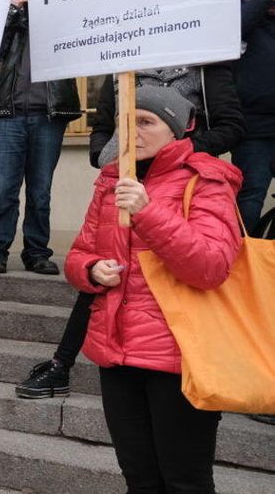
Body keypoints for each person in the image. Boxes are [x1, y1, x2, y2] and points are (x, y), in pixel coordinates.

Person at [18, 9, 248, 400]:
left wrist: (179, 154)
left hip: (179, 179)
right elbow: (105, 121)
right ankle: (62, 363)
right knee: (106, 269)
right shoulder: (124, 62)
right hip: (124, 174)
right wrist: (103, 153)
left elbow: (231, 125)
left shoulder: (208, 62)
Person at [64, 86, 241, 493]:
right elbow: (77, 257)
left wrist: (147, 211)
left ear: (177, 129)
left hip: (179, 358)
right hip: (118, 355)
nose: (132, 132)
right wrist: (92, 271)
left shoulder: (206, 180)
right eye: (125, 123)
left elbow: (210, 267)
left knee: (185, 482)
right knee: (139, 479)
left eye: (145, 122)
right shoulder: (111, 182)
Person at [0, 0, 81, 275]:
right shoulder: (10, 22)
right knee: (3, 188)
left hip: (49, 117)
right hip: (10, 114)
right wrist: (13, 9)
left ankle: (36, 253)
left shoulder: (64, 19)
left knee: (40, 191)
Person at [231, 0, 275, 234]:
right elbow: (229, 34)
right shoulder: (245, 17)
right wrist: (261, 0)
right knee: (249, 199)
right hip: (253, 131)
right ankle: (240, 260)